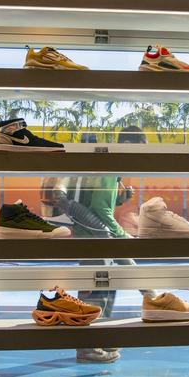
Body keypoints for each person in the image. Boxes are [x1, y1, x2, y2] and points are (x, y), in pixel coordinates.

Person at [42, 126, 148, 363]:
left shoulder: (112, 168)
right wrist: (122, 236)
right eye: (140, 151)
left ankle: (99, 339)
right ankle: (87, 346)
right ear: (129, 146)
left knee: (106, 288)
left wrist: (120, 198)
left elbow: (96, 201)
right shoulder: (110, 167)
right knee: (96, 290)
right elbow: (100, 210)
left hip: (92, 234)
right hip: (93, 236)